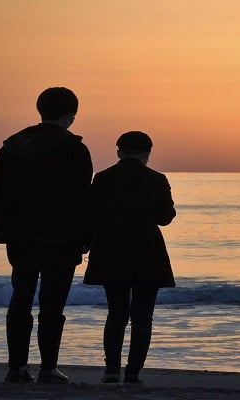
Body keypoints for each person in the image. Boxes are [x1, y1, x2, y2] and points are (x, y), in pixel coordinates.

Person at [0, 87, 93, 384]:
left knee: (20, 298)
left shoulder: (13, 145)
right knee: (52, 304)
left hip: (21, 236)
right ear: (71, 115)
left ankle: (16, 367)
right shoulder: (73, 148)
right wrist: (87, 235)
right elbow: (82, 197)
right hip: (61, 237)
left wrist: (6, 223)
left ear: (40, 110)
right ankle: (48, 367)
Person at [83, 131, 176, 385]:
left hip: (110, 251)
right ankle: (133, 373)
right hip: (148, 252)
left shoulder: (102, 179)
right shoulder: (157, 179)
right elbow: (165, 218)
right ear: (147, 154)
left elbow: (91, 214)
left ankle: (111, 370)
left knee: (116, 314)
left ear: (119, 152)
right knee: (143, 317)